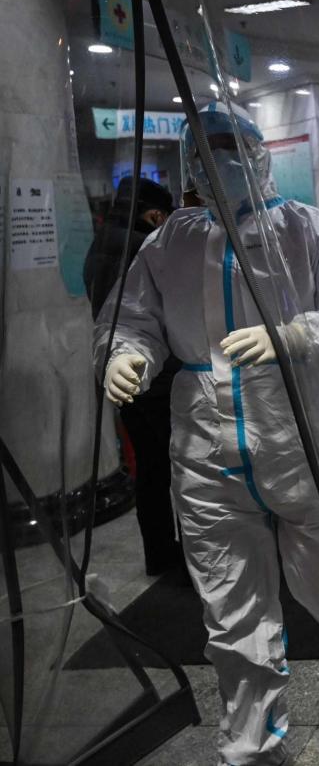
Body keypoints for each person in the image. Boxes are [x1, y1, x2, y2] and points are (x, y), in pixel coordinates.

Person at [95, 104, 319, 765]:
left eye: (231, 145)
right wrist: (123, 354)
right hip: (207, 452)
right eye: (205, 147)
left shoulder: (309, 230)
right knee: (232, 610)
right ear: (188, 163)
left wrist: (294, 336)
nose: (219, 158)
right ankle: (254, 742)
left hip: (304, 441)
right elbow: (130, 318)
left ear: (259, 154)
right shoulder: (168, 243)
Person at [83, 176, 182, 577]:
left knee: (150, 469)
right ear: (154, 214)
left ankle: (159, 554)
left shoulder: (100, 242)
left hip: (121, 373)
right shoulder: (145, 247)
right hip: (153, 377)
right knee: (177, 470)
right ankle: (181, 559)